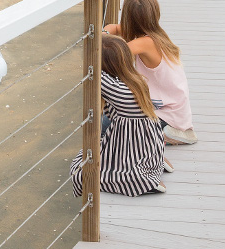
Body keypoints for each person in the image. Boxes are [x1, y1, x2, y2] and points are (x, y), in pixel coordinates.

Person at [70, 35, 166, 197]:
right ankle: (152, 167)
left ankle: (145, 181)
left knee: (84, 173)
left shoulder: (117, 89)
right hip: (145, 144)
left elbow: (91, 70)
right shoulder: (135, 80)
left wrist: (92, 43)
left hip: (130, 145)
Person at [105, 0, 196, 145]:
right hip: (175, 112)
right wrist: (108, 31)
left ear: (128, 18)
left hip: (167, 116)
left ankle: (164, 136)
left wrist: (101, 34)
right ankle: (164, 133)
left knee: (108, 127)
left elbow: (113, 53)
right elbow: (115, 27)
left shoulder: (146, 43)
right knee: (109, 123)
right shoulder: (156, 36)